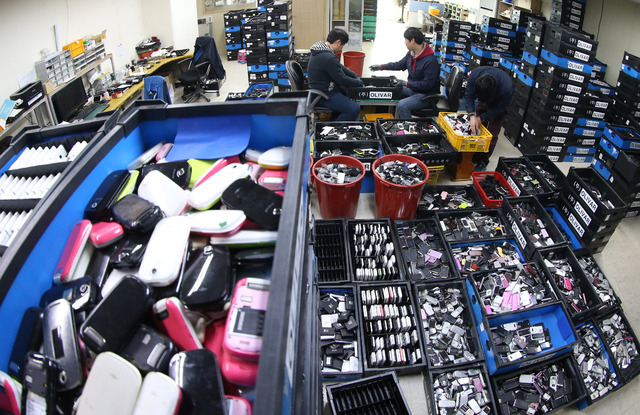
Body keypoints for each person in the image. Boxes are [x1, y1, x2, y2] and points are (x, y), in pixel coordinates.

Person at [369, 27, 440, 119]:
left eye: (406, 39)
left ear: (412, 41)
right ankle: (390, 120)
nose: (405, 42)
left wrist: (407, 84)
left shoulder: (430, 61)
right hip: (413, 89)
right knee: (390, 90)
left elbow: (427, 85)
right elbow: (399, 65)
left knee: (403, 105)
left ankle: (406, 127)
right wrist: (382, 67)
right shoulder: (411, 54)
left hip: (427, 95)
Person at [307, 28, 364, 121]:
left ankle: (334, 120)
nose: (341, 49)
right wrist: (358, 83)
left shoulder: (320, 51)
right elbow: (342, 79)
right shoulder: (329, 57)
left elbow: (340, 67)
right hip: (324, 94)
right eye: (342, 45)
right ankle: (333, 128)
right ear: (338, 42)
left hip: (318, 89)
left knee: (344, 92)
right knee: (354, 109)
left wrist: (354, 75)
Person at [463, 66, 514, 169]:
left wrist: (481, 118)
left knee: (491, 134)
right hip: (484, 95)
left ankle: (484, 160)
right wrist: (472, 115)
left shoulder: (507, 88)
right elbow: (469, 95)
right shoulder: (475, 75)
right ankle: (474, 153)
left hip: (499, 105)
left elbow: (500, 109)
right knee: (477, 128)